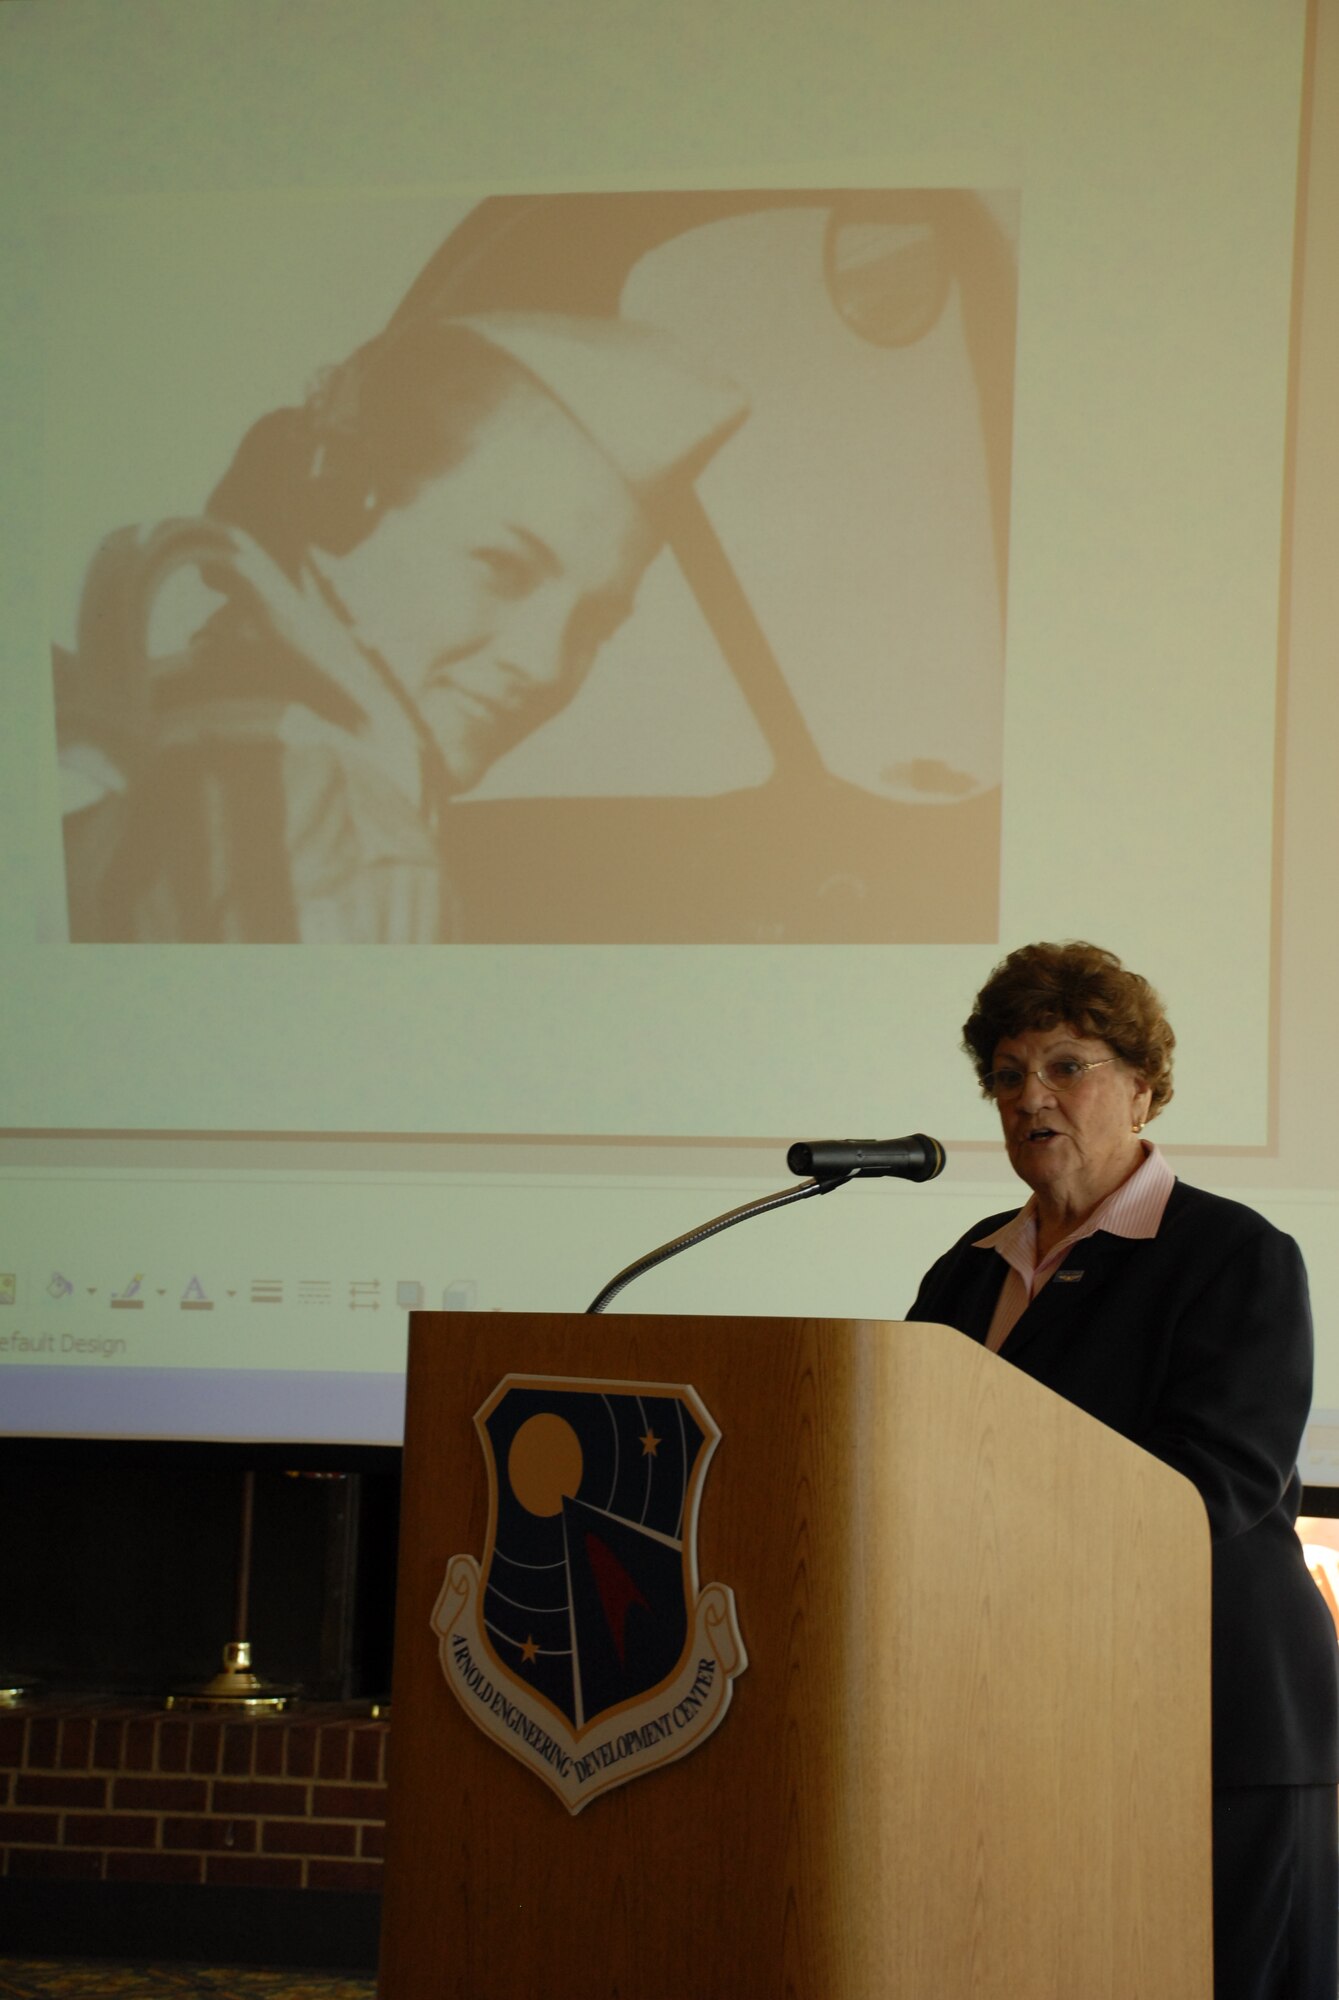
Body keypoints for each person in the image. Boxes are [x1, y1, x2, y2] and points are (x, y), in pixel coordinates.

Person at [908, 940, 1339, 2000]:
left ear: (1141, 1087)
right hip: (1029, 1714)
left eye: (1066, 1064)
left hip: (1207, 1719)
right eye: (1006, 1074)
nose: (1030, 1096)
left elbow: (1219, 1481)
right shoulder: (969, 1266)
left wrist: (1002, 1521)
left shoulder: (1233, 1253)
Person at [54, 310, 747, 941]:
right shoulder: (355, 849)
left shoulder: (171, 717)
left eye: (594, 625)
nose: (543, 665)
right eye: (502, 569)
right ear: (339, 506)